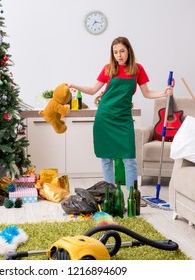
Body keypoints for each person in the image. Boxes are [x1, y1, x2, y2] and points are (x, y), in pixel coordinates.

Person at [69, 36, 173, 189]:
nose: (119, 55)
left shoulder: (137, 69)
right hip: (105, 117)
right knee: (106, 159)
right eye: (115, 52)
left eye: (122, 51)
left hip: (123, 118)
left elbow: (147, 93)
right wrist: (73, 84)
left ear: (129, 51)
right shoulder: (108, 68)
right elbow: (92, 90)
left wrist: (163, 93)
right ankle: (110, 195)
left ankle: (132, 195)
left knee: (129, 159)